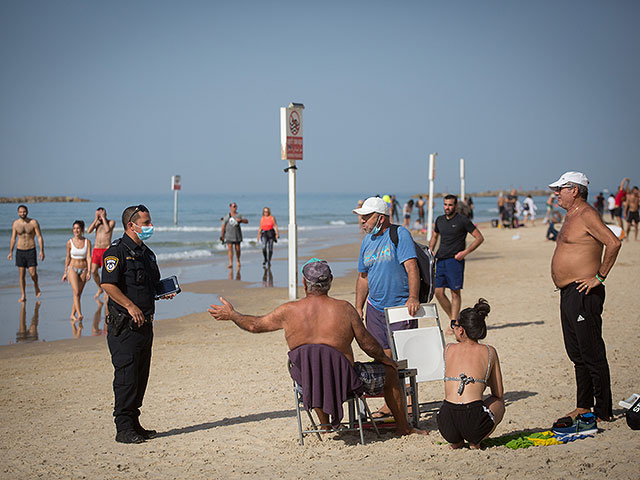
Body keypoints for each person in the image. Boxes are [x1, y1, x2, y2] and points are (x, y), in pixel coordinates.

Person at [207, 258, 426, 437]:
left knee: (313, 371)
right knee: (391, 373)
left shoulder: (288, 311)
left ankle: (324, 425)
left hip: (307, 385)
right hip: (347, 382)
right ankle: (403, 428)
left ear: (304, 283)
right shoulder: (345, 309)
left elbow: (255, 326)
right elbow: (368, 344)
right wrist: (387, 360)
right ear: (330, 281)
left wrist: (232, 314)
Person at [101, 205, 177, 444]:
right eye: (145, 223)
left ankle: (135, 423)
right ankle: (123, 428)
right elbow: (109, 285)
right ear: (131, 225)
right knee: (126, 376)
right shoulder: (116, 252)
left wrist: (162, 292)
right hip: (124, 326)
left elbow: (150, 284)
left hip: (145, 324)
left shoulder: (147, 254)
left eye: (149, 222)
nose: (149, 227)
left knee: (140, 376)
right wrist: (130, 306)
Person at [549, 172, 621, 423]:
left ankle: (603, 410)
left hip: (584, 292)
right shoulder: (571, 215)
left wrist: (599, 278)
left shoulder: (587, 214)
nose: (556, 193)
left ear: (575, 191)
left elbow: (613, 243)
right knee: (577, 353)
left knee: (592, 352)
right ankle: (583, 406)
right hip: (568, 293)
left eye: (561, 189)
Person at [437, 298, 504, 449]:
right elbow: (498, 393)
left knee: (454, 403)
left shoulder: (448, 349)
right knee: (499, 403)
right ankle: (476, 441)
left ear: (461, 330)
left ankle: (457, 442)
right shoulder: (489, 351)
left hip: (446, 420)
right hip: (472, 418)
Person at [429, 195, 484, 333]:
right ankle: (454, 319)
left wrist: (465, 252)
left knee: (454, 293)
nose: (447, 207)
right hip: (440, 260)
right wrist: (430, 251)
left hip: (455, 261)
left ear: (455, 206)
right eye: (445, 205)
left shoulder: (462, 220)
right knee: (438, 292)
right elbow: (435, 236)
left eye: (450, 205)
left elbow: (479, 237)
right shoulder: (440, 220)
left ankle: (453, 323)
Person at [7, 205, 44, 303]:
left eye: (24, 211)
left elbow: (39, 237)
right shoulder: (15, 224)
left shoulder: (33, 223)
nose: (22, 213)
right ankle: (23, 295)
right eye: (20, 212)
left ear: (27, 212)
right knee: (21, 275)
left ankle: (36, 285)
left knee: (32, 273)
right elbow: (13, 238)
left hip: (31, 250)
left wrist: (41, 251)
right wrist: (10, 251)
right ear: (18, 213)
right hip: (20, 251)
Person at [62, 220, 92, 328]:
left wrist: (89, 271)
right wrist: (65, 272)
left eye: (78, 228)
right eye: (74, 228)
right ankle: (79, 314)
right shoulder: (69, 242)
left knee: (79, 293)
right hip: (72, 268)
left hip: (83, 269)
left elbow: (88, 257)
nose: (76, 230)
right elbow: (67, 257)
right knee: (76, 291)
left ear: (82, 230)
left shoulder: (87, 242)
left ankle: (72, 314)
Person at [87, 207, 116, 299]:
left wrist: (103, 218)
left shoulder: (111, 222)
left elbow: (107, 230)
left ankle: (107, 291)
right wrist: (96, 219)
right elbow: (88, 231)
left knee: (105, 272)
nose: (100, 216)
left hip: (106, 249)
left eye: (101, 214)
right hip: (96, 249)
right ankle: (100, 288)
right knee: (93, 271)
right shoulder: (97, 223)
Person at [221, 202, 248, 269]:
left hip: (237, 234)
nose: (235, 208)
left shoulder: (239, 215)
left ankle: (238, 261)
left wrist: (241, 220)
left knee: (237, 249)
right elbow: (223, 226)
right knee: (230, 249)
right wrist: (222, 236)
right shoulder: (227, 216)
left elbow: (246, 221)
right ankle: (230, 263)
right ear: (230, 207)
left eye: (236, 206)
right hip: (228, 235)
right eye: (233, 206)